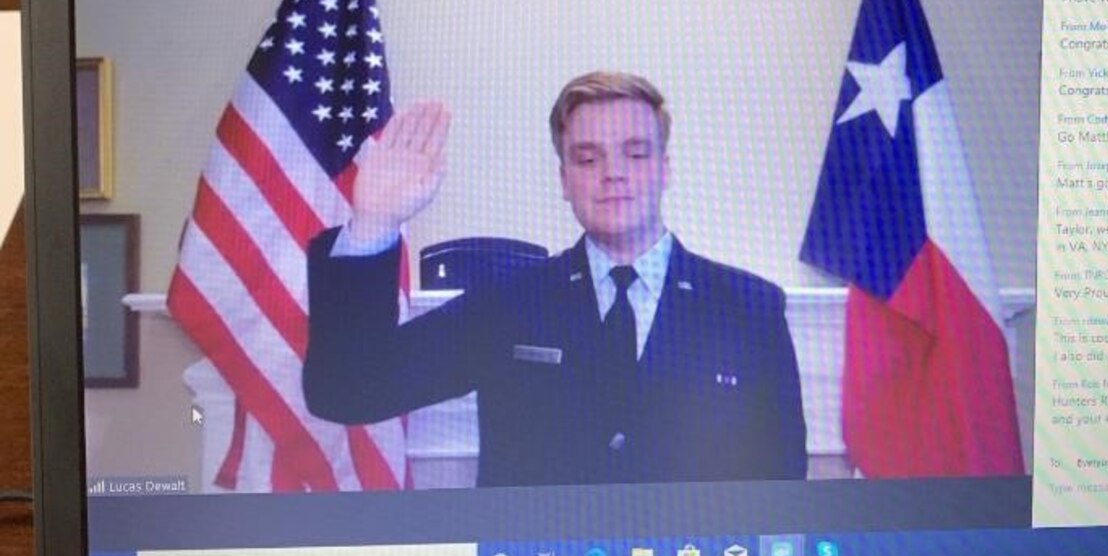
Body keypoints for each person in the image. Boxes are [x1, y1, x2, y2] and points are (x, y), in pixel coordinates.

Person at [304, 72, 807, 487]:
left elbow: (781, 482)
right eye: (587, 158)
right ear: (565, 180)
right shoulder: (509, 303)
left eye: (635, 153)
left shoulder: (748, 307)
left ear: (664, 169)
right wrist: (373, 223)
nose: (613, 173)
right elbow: (349, 390)